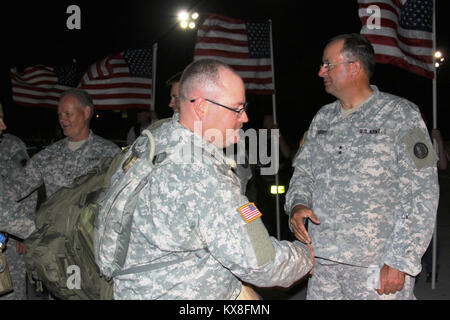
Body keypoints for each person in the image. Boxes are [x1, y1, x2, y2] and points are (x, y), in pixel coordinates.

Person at [111, 58, 313, 299]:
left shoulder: (154, 141)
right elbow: (261, 262)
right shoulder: (202, 175)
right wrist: (306, 256)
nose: (245, 117)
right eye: (237, 108)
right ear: (202, 107)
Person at [285, 33, 439, 300]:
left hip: (377, 265)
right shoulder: (322, 118)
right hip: (323, 263)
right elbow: (304, 173)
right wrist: (297, 204)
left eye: (327, 65)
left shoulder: (401, 114)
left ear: (354, 67)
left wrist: (401, 259)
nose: (321, 71)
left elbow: (422, 192)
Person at [4, 88, 121, 203]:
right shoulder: (49, 155)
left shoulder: (110, 154)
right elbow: (14, 190)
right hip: (55, 222)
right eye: (59, 115)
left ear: (86, 112)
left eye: (67, 114)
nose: (62, 120)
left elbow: (120, 199)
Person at [0, 103, 37, 300]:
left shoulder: (12, 145)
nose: (3, 125)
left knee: (12, 292)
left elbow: (27, 185)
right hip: (11, 224)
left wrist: (23, 236)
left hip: (9, 238)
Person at [422, 128, 448, 282]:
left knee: (431, 235)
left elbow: (443, 165)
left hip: (428, 197)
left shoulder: (430, 142)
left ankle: (432, 269)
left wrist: (438, 141)